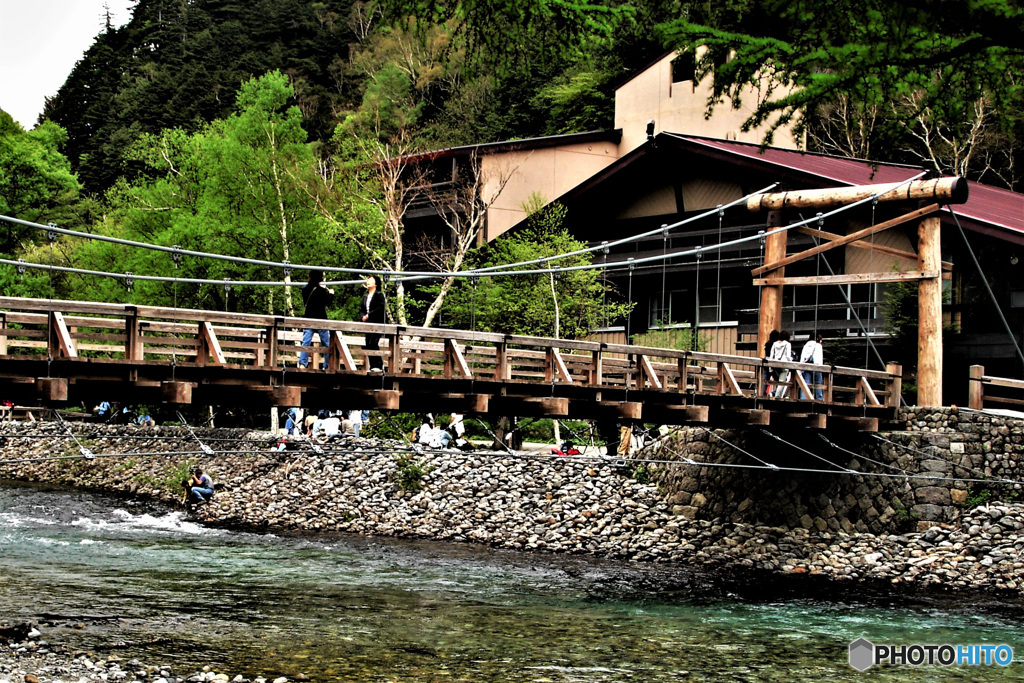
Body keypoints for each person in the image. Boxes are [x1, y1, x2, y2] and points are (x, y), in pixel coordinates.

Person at [299, 270, 335, 369]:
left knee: (306, 341)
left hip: (309, 318)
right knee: (326, 344)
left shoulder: (305, 289)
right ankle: (326, 365)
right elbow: (328, 303)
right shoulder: (322, 291)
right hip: (321, 319)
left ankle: (302, 363)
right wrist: (331, 294)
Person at [360, 275, 386, 372]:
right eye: (368, 280)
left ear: (375, 283)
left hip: (377, 323)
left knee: (373, 343)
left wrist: (369, 315)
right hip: (368, 324)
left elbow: (380, 308)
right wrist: (363, 316)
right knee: (368, 343)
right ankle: (372, 366)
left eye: (370, 280)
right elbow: (362, 309)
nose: (368, 282)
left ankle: (379, 365)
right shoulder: (365, 297)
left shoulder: (379, 295)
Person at [799, 333, 825, 400]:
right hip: (816, 367)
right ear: (817, 338)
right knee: (818, 384)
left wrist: (801, 368)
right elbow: (819, 358)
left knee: (806, 385)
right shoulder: (818, 345)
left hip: (806, 367)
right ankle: (819, 399)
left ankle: (803, 399)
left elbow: (802, 358)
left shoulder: (806, 345)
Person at [770, 330, 794, 398]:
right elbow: (788, 356)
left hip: (775, 365)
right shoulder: (787, 344)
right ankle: (777, 396)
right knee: (782, 382)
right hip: (784, 365)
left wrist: (770, 368)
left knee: (778, 382)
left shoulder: (774, 344)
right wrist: (792, 361)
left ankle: (775, 395)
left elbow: (772, 356)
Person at [763, 330, 780, 396]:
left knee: (765, 380)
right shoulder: (776, 345)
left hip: (766, 363)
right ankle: (774, 393)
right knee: (781, 381)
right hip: (773, 364)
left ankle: (763, 394)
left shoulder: (767, 344)